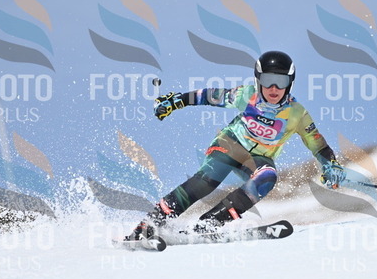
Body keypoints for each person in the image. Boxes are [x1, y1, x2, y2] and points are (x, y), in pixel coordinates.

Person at [127, 50, 345, 241]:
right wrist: (177, 101)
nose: (274, 88)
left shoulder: (297, 114)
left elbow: (317, 144)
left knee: (266, 178)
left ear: (290, 83)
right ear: (258, 80)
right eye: (268, 80)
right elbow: (210, 96)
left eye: (281, 81)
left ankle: (209, 224)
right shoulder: (247, 95)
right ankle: (150, 224)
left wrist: (330, 165)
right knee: (206, 182)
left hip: (258, 158)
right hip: (230, 144)